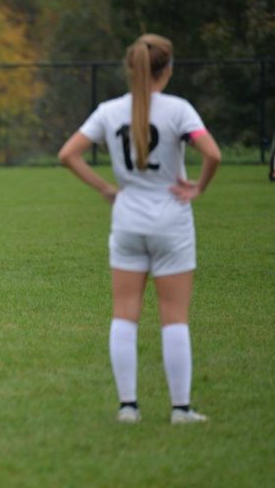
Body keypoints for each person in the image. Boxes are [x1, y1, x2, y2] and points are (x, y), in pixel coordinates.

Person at [57, 33, 221, 425]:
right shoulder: (179, 109)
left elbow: (68, 154)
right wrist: (198, 187)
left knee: (124, 314)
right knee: (174, 317)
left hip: (127, 217)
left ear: (131, 68)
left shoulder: (109, 110)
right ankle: (180, 409)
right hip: (172, 219)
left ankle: (128, 407)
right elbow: (212, 153)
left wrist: (106, 189)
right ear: (168, 69)